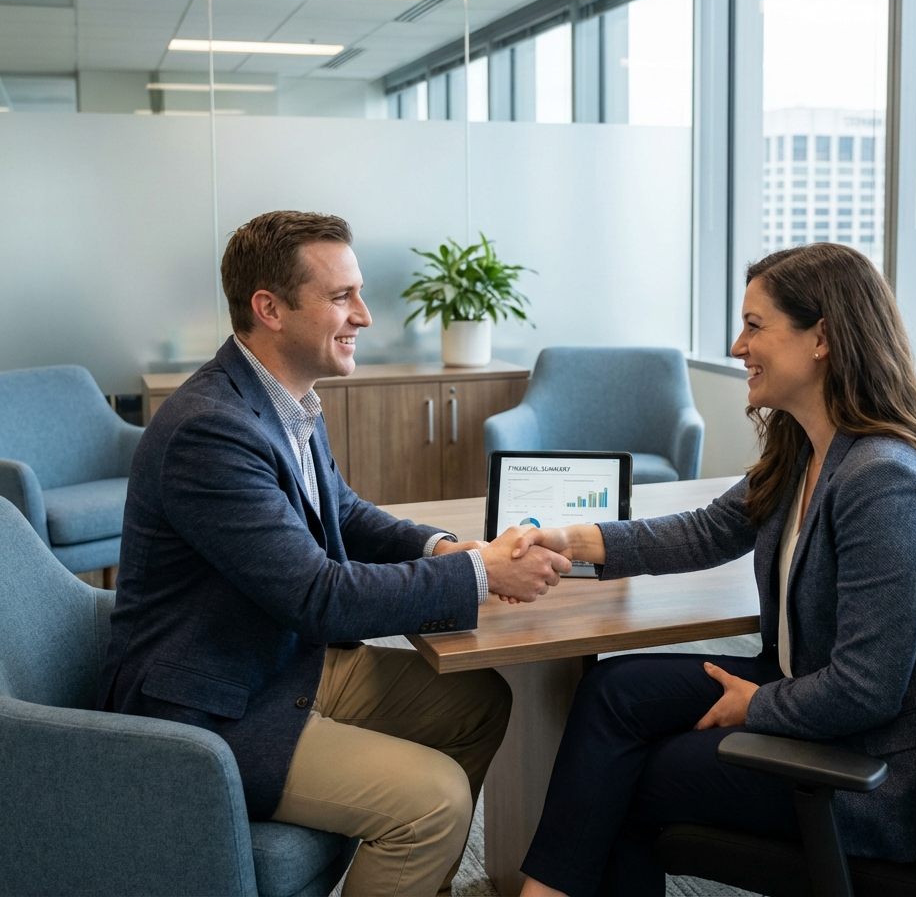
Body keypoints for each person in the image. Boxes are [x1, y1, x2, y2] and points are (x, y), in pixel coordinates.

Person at [97, 209, 571, 897]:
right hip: (212, 703)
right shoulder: (211, 430)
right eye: (342, 296)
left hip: (275, 659)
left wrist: (445, 546)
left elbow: (341, 512)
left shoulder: (282, 398)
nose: (366, 316)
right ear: (271, 308)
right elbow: (317, 597)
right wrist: (478, 572)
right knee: (434, 801)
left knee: (477, 700)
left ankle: (411, 880)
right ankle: (414, 846)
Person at [510, 242, 916, 897]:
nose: (737, 346)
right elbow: (707, 531)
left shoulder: (885, 482)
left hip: (871, 765)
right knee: (611, 694)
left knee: (624, 780)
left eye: (754, 325)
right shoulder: (808, 449)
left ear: (821, 337)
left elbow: (867, 690)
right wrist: (568, 540)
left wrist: (758, 705)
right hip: (812, 690)